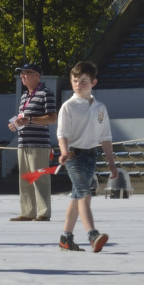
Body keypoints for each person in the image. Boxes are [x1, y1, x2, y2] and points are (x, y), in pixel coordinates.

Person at [55, 61, 118, 252]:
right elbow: (62, 133)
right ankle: (92, 234)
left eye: (83, 81)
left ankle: (66, 238)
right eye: (75, 80)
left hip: (91, 156)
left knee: (76, 198)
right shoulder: (68, 106)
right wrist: (64, 151)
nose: (78, 84)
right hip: (74, 156)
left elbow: (105, 137)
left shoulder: (100, 108)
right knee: (85, 194)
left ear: (93, 82)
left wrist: (112, 164)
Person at [7, 62, 56, 222]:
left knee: (39, 178)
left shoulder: (45, 93)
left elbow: (52, 118)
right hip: (24, 143)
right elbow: (24, 118)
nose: (23, 76)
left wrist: (28, 120)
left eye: (27, 73)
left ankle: (43, 212)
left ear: (37, 76)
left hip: (39, 144)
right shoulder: (24, 97)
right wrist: (16, 124)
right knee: (25, 178)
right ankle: (27, 212)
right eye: (22, 73)